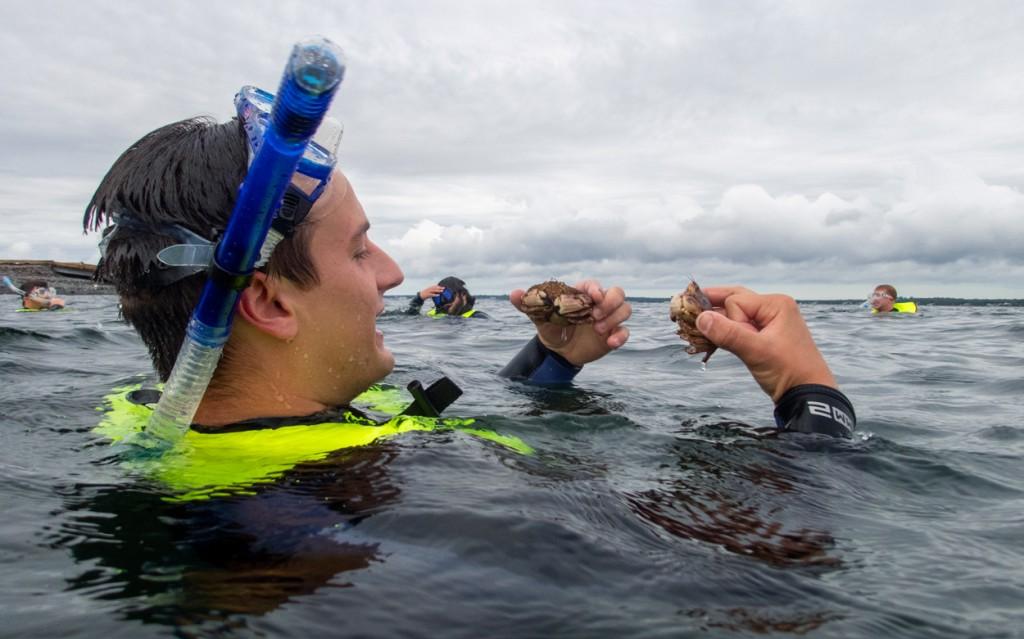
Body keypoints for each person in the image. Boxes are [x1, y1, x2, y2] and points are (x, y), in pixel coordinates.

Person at [84, 92, 854, 450]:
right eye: (358, 249)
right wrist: (809, 395)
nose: (392, 270)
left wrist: (552, 359)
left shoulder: (141, 415)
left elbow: (428, 418)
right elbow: (781, 566)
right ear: (268, 302)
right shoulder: (349, 511)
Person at [406, 276, 489, 318]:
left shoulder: (478, 317)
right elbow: (408, 318)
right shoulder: (432, 314)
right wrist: (419, 298)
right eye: (439, 298)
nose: (444, 302)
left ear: (463, 295)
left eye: (447, 297)